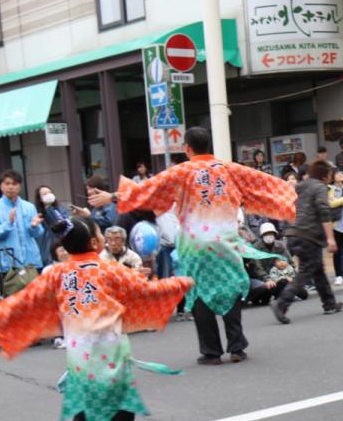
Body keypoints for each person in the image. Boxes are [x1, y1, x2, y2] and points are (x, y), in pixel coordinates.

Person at [0, 217, 193, 421]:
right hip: (107, 347)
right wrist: (181, 283)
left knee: (85, 393)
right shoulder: (108, 269)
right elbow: (145, 291)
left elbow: (25, 300)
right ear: (94, 242)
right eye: (100, 234)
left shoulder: (57, 272)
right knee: (117, 399)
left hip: (78, 349)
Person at [111, 126, 298, 364]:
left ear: (187, 148)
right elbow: (263, 183)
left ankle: (211, 351)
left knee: (200, 292)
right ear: (209, 145)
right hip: (225, 243)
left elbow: (148, 190)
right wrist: (290, 191)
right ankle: (237, 347)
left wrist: (113, 197)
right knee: (230, 288)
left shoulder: (181, 171)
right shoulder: (229, 169)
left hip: (195, 246)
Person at [273, 160, 342, 324]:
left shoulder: (301, 185)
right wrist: (331, 238)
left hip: (294, 232)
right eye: (330, 174)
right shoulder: (320, 187)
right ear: (325, 175)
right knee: (305, 272)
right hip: (309, 235)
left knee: (317, 270)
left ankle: (329, 303)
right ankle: (282, 303)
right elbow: (324, 212)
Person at [0, 170, 45, 294]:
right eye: (7, 183)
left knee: (34, 298)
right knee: (11, 299)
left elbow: (38, 233)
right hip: (8, 263)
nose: (11, 187)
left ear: (20, 187)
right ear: (1, 186)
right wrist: (8, 223)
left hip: (30, 261)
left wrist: (34, 226)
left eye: (14, 184)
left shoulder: (29, 207)